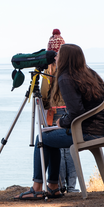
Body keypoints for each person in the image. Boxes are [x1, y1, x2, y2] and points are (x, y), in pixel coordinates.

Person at [14, 43, 104, 200]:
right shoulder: (90, 74)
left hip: (89, 132)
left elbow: (76, 112)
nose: (55, 57)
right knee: (50, 136)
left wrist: (61, 122)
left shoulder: (66, 78)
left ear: (65, 59)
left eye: (58, 54)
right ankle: (53, 187)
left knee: (42, 138)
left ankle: (37, 188)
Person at [41, 29, 79, 193]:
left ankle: (59, 185)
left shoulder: (48, 73)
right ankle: (71, 186)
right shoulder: (72, 71)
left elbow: (43, 95)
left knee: (56, 148)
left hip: (54, 113)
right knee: (70, 150)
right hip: (71, 112)